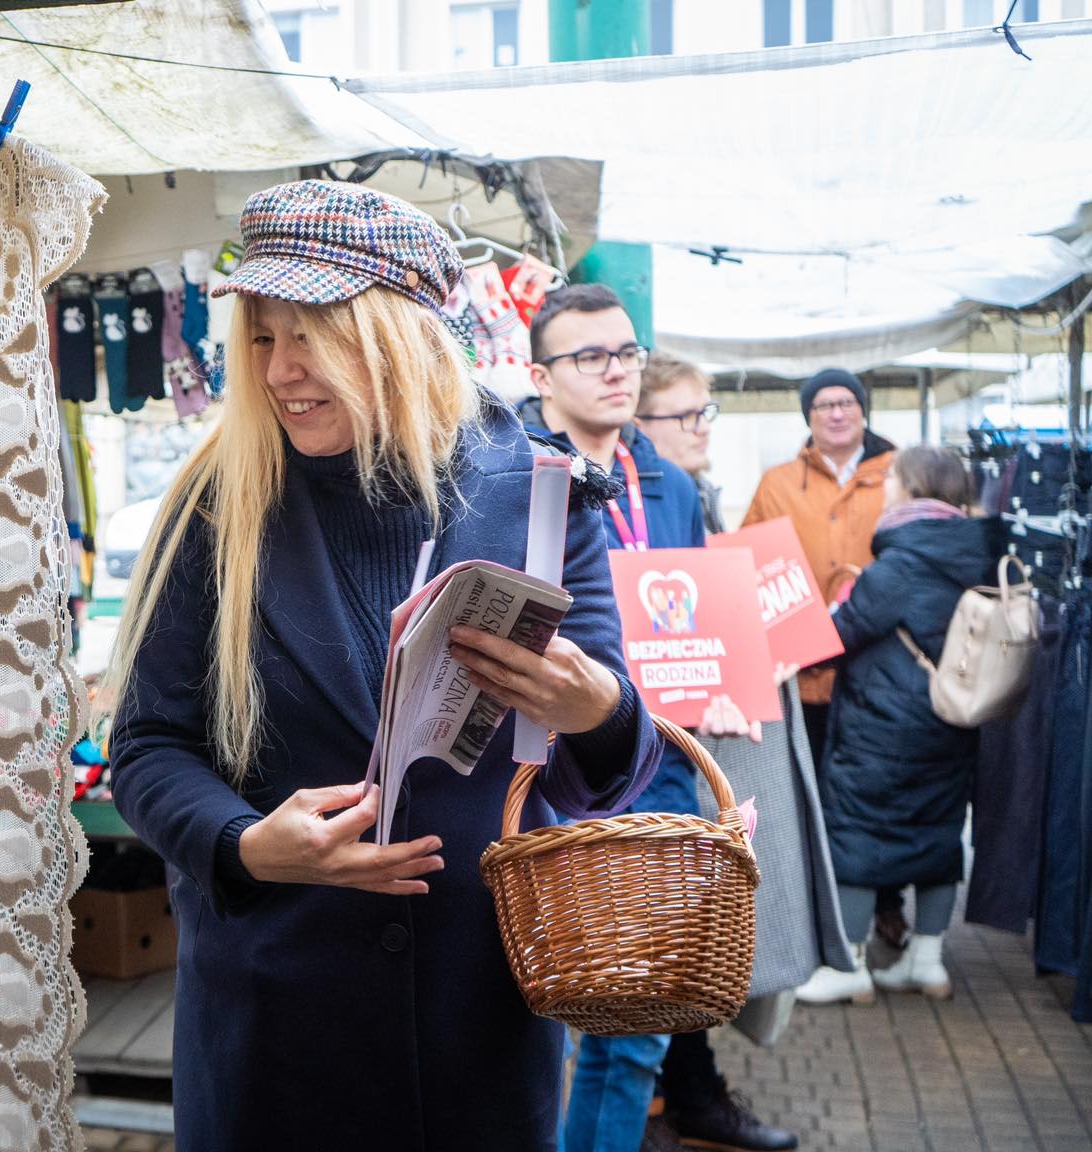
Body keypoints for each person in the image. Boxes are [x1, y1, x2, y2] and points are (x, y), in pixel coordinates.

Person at [105, 179, 663, 1152]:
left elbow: (609, 754)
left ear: (398, 335)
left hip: (477, 1023)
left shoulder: (534, 490)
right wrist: (241, 844)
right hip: (276, 1018)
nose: (279, 371)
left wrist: (591, 703)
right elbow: (149, 745)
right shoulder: (214, 502)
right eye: (263, 338)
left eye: (310, 336)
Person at [530, 289, 797, 1152]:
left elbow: (698, 621)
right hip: (558, 775)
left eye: (626, 353)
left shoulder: (672, 485)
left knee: (643, 1013)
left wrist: (727, 680)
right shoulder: (522, 479)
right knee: (569, 1013)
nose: (614, 370)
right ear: (540, 375)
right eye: (588, 357)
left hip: (668, 767)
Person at [795, 447, 999, 1006]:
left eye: (892, 481)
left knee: (858, 833)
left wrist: (833, 612)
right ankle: (927, 962)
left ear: (911, 489)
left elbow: (840, 636)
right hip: (952, 719)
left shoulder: (904, 563)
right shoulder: (980, 553)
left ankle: (849, 964)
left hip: (884, 726)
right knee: (938, 831)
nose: (885, 489)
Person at [741, 368, 897, 770]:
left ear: (863, 411)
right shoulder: (777, 483)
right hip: (801, 675)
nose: (837, 413)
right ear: (808, 417)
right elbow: (745, 566)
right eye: (824, 405)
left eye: (847, 402)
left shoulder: (898, 476)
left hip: (879, 669)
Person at [637, 351, 726, 535]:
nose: (704, 428)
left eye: (705, 412)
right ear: (637, 427)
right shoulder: (620, 502)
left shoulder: (704, 493)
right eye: (686, 416)